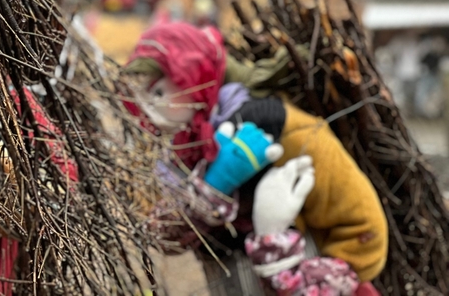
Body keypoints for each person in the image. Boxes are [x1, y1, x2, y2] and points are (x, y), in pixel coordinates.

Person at [125, 22, 386, 295]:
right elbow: (161, 235)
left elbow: (365, 231)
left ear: (193, 77)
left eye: (158, 92)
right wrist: (211, 189)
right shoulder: (176, 157)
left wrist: (276, 248)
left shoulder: (281, 129)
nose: (148, 106)